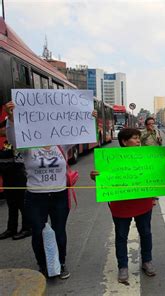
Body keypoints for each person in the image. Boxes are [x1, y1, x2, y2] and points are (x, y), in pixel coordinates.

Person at [5, 101, 96, 278]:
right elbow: (12, 138)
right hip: (35, 197)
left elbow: (80, 134)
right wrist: (11, 118)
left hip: (59, 195)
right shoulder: (27, 146)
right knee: (38, 232)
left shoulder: (60, 145)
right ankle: (43, 264)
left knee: (59, 231)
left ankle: (60, 263)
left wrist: (88, 119)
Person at [90, 128, 156, 284]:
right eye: (134, 138)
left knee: (146, 233)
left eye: (139, 138)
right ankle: (123, 267)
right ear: (124, 142)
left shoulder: (147, 156)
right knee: (121, 237)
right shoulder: (111, 159)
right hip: (121, 205)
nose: (138, 140)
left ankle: (147, 261)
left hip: (143, 202)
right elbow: (104, 179)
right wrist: (95, 177)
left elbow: (156, 174)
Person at [0, 115, 30, 240]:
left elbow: (13, 156)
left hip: (18, 174)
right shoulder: (6, 142)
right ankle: (11, 228)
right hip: (8, 175)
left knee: (22, 203)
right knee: (11, 203)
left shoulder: (17, 140)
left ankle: (27, 228)